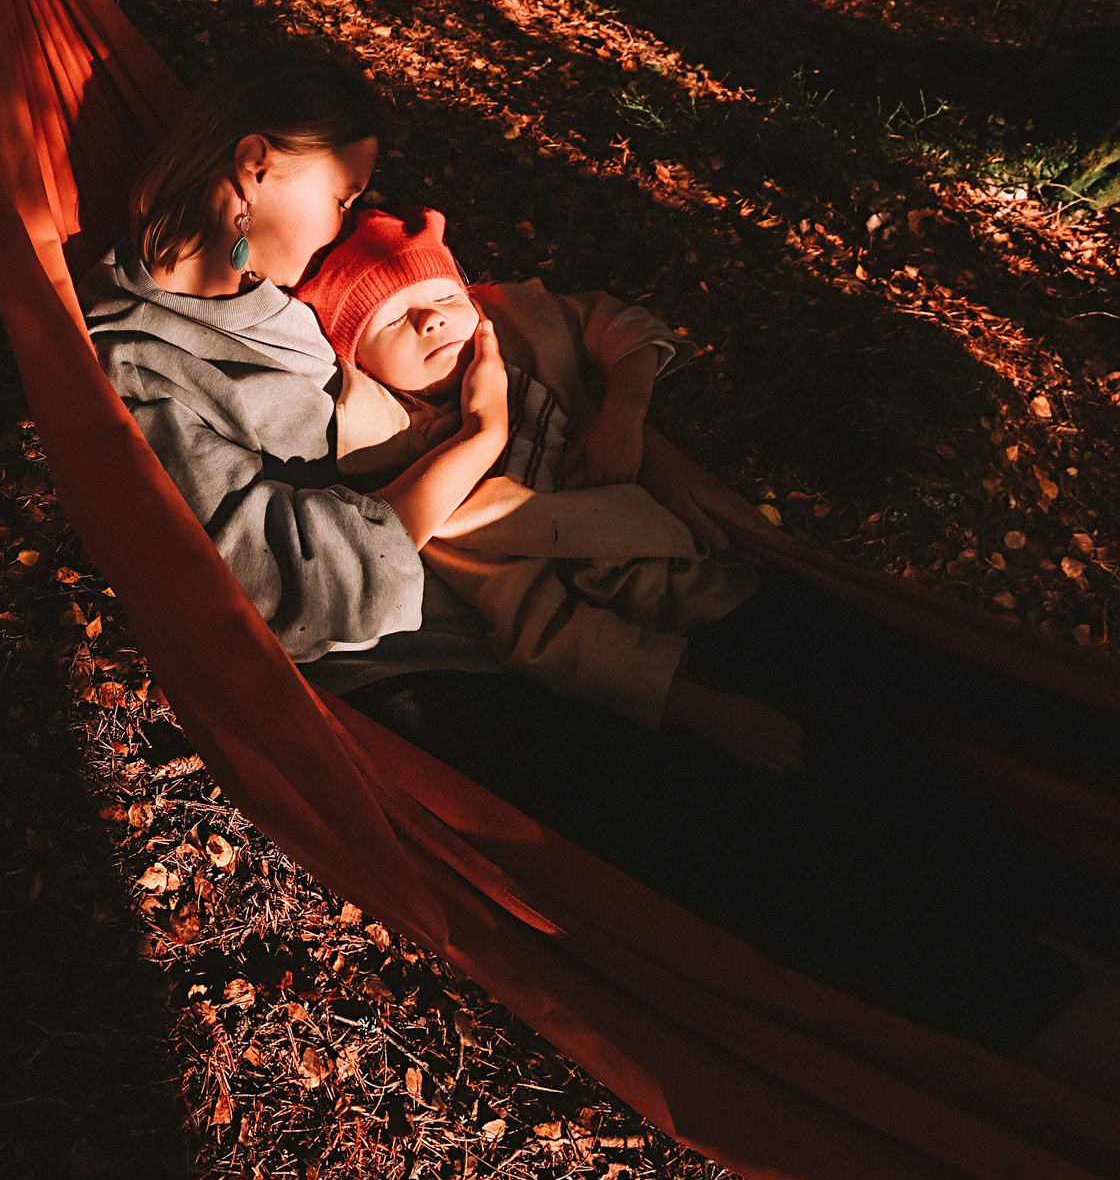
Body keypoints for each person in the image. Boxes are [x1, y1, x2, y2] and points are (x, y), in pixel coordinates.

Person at [82, 44, 1120, 1172]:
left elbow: (534, 332)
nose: (352, 219)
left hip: (602, 590)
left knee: (915, 705)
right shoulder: (143, 366)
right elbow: (292, 592)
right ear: (254, 163)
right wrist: (470, 445)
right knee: (815, 866)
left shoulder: (274, 302)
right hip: (441, 679)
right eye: (342, 188)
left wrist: (632, 432)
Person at [291, 203, 789, 764]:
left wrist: (622, 414)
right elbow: (541, 630)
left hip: (716, 556)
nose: (431, 319)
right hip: (660, 629)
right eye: (391, 319)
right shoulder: (433, 486)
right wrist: (699, 708)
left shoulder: (519, 325)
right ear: (359, 362)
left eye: (446, 298)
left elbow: (615, 324)